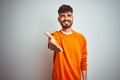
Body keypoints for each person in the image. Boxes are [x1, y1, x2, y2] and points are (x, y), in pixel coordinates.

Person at [45, 4, 88, 80]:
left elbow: (83, 62)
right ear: (59, 19)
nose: (66, 18)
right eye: (63, 16)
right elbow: (52, 44)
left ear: (72, 18)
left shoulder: (81, 38)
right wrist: (52, 45)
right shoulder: (55, 35)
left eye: (68, 15)